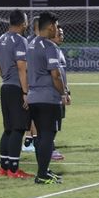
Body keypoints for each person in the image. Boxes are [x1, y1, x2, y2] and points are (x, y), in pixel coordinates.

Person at [26, 12, 68, 184]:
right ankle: (42, 174)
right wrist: (63, 92)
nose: (57, 29)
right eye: (56, 26)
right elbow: (56, 75)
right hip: (48, 98)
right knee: (47, 136)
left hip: (34, 97)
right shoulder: (50, 47)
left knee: (40, 137)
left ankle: (44, 170)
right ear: (50, 26)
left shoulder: (31, 44)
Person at [0, 9, 33, 179]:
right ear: (23, 23)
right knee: (18, 129)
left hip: (6, 87)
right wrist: (25, 92)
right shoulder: (20, 41)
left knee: (8, 129)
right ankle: (14, 170)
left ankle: (4, 167)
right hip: (17, 88)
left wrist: (4, 74)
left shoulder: (1, 39)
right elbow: (22, 68)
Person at [50, 27, 71, 161]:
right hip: (53, 94)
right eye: (59, 34)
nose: (62, 36)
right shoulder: (50, 50)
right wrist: (62, 93)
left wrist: (67, 91)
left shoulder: (58, 50)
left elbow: (62, 74)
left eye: (63, 33)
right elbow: (55, 75)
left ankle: (49, 147)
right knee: (51, 123)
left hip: (60, 92)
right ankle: (50, 149)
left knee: (57, 122)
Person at [22, 15, 40, 152]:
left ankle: (30, 139)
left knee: (32, 112)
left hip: (31, 81)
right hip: (32, 82)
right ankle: (31, 140)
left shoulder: (28, 41)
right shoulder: (34, 42)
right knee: (34, 112)